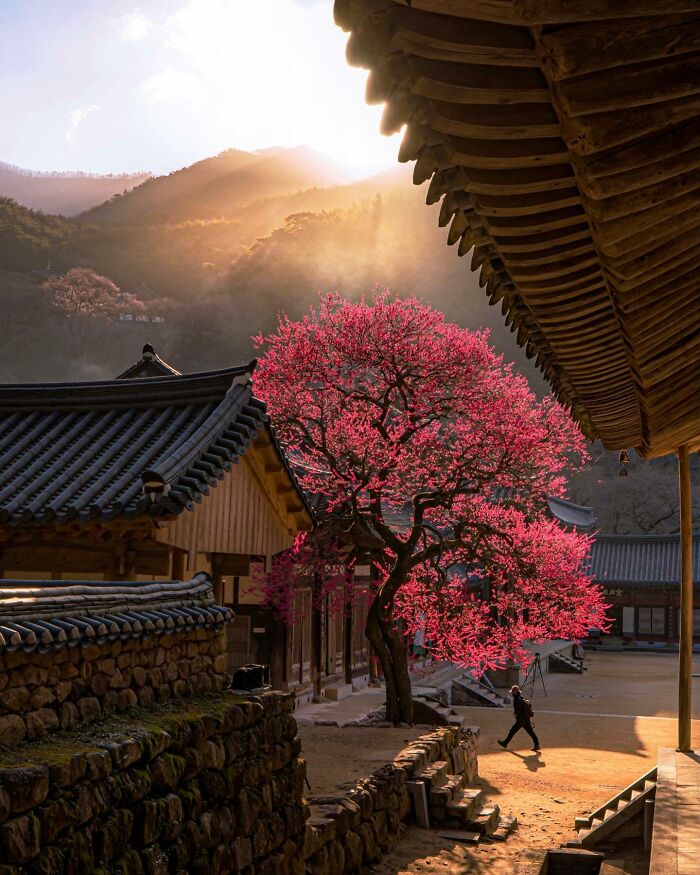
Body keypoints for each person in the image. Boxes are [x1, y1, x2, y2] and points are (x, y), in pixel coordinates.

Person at [498, 684, 541, 752]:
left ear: (514, 692)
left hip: (521, 719)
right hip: (526, 718)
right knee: (531, 732)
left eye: (512, 692)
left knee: (512, 731)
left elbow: (518, 710)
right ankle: (537, 744)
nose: (512, 693)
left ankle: (505, 743)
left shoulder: (516, 699)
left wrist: (515, 714)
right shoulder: (522, 697)